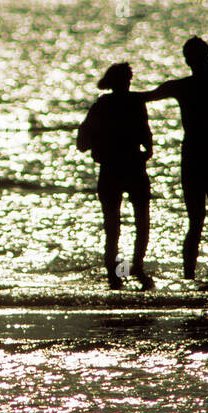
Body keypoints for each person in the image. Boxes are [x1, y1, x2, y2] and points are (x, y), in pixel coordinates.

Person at [137, 37, 208, 286]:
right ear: (203, 58)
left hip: (200, 157)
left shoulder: (185, 87)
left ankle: (196, 275)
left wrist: (117, 95)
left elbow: (144, 97)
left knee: (199, 221)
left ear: (189, 60)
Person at [77, 63, 155, 290]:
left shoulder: (101, 106)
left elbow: (82, 142)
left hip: (111, 168)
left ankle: (114, 272)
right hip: (132, 166)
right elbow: (146, 137)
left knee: (112, 224)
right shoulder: (135, 103)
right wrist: (145, 153)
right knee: (141, 220)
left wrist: (97, 146)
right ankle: (136, 267)